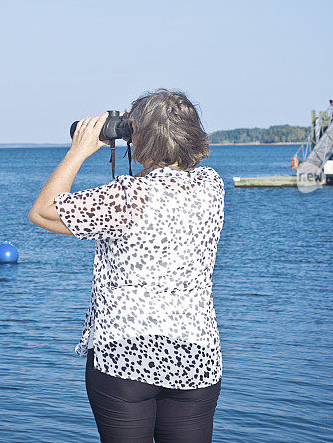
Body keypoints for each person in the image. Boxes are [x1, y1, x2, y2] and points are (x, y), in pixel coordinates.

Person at [28, 89, 224, 443]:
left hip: (124, 356)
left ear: (139, 138)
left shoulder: (127, 198)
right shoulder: (212, 186)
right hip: (196, 354)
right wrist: (143, 126)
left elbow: (42, 211)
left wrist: (79, 150)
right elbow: (174, 174)